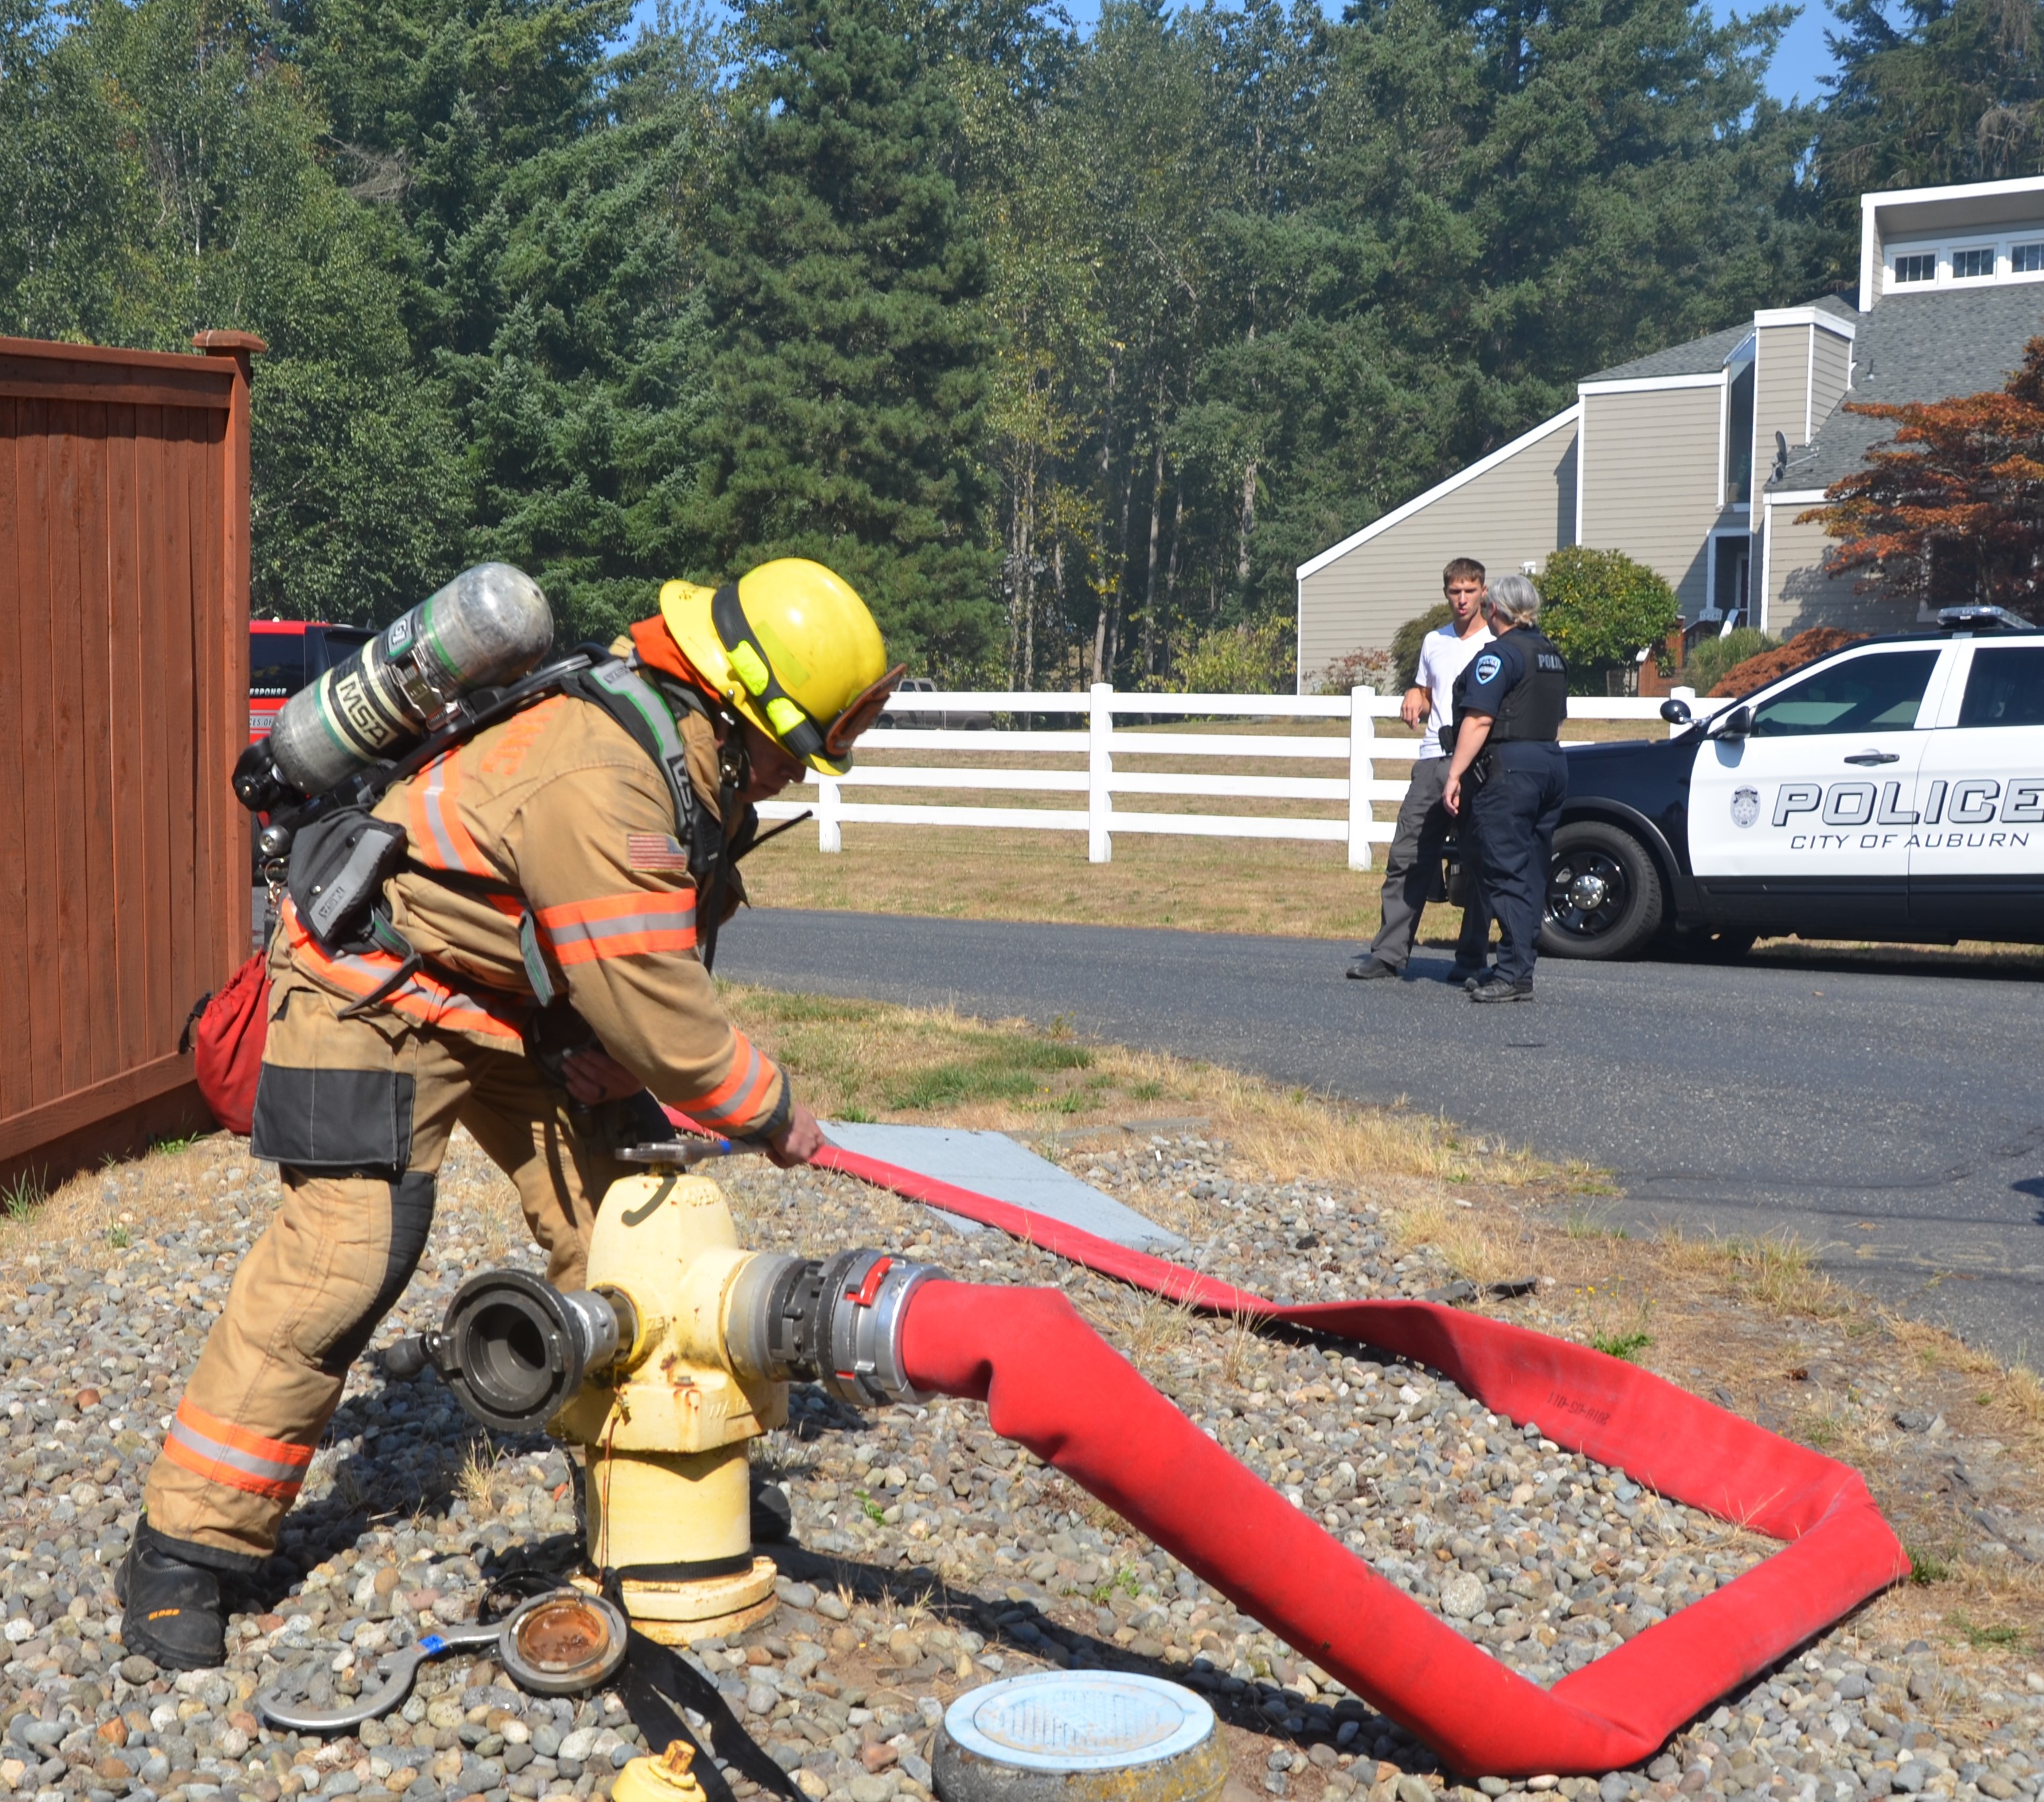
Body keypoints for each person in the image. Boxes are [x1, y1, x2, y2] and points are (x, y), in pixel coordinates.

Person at [119, 558, 903, 1669]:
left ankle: (655, 1482)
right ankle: (185, 1549)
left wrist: (590, 1045)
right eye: (801, 748)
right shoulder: (605, 773)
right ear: (749, 710)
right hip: (371, 987)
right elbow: (658, 1001)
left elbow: (639, 954)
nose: (794, 776)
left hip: (511, 1007)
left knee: (627, 1229)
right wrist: (772, 1111)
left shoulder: (690, 759)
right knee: (342, 1256)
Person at [1346, 559, 1495, 983]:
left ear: (1483, 592)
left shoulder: (1495, 642)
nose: (1462, 600)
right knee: (1407, 856)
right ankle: (1389, 954)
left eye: (1470, 591)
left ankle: (1472, 958)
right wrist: (1415, 693)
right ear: (1446, 593)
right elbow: (1431, 693)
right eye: (1454, 592)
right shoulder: (1434, 641)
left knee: (1479, 858)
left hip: (1479, 761)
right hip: (1433, 758)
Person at [1440, 572, 1568, 1003]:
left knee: (1506, 870)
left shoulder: (1500, 654)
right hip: (1550, 762)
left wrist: (1455, 774)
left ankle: (1514, 975)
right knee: (1531, 870)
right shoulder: (1550, 653)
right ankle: (1518, 964)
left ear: (1493, 609)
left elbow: (1479, 718)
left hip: (1510, 771)